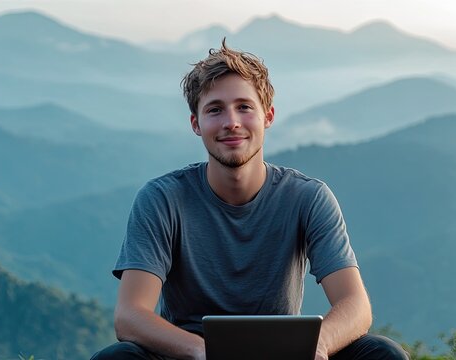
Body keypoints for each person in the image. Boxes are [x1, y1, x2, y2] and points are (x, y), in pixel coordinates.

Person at [91, 40, 408, 360]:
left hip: (285, 354)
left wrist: (319, 345)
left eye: (244, 106)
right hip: (189, 355)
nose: (232, 122)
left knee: (382, 353)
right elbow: (130, 316)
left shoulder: (307, 197)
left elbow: (356, 305)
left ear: (267, 116)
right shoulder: (163, 199)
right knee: (118, 358)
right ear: (196, 124)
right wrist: (205, 352)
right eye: (215, 109)